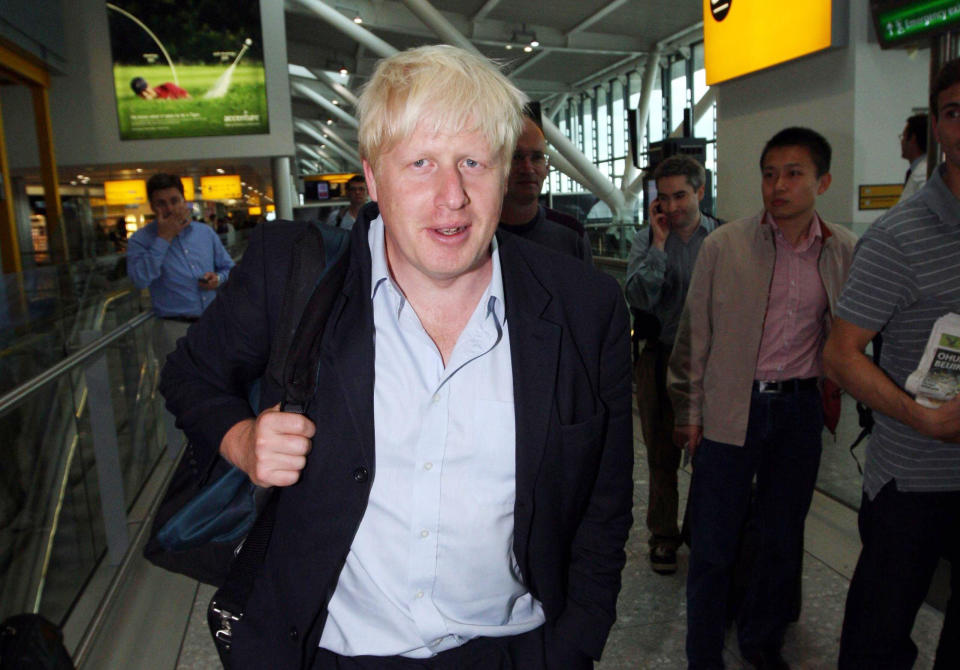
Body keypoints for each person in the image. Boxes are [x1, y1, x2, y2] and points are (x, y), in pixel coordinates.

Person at [159, 45, 633, 669]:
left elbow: (604, 502)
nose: (452, 196)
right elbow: (189, 375)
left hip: (510, 649)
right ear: (374, 178)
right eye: (420, 163)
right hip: (329, 648)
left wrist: (572, 649)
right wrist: (241, 439)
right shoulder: (292, 275)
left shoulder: (582, 306)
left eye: (473, 161)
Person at [668, 127, 855, 669]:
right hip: (732, 407)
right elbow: (694, 335)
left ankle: (761, 641)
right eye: (770, 174)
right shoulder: (726, 245)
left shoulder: (842, 249)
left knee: (781, 537)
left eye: (793, 174)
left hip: (797, 410)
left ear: (822, 181)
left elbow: (846, 333)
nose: (778, 185)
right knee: (713, 543)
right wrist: (689, 413)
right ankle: (703, 653)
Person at [827, 60, 960, 670]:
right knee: (878, 641)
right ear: (936, 126)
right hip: (913, 478)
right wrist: (919, 418)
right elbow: (840, 353)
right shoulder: (899, 237)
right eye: (955, 113)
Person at [624, 154, 718, 576]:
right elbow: (639, 298)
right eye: (664, 198)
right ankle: (664, 535)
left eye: (681, 195)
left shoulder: (721, 240)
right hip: (658, 357)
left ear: (700, 192)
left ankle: (702, 531)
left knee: (711, 455)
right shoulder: (647, 241)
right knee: (661, 455)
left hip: (711, 363)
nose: (674, 206)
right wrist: (659, 246)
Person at [127, 174, 234, 445]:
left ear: (184, 200)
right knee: (178, 393)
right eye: (162, 203)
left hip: (211, 324)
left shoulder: (204, 233)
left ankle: (221, 444)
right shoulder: (142, 240)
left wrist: (217, 280)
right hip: (172, 328)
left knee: (221, 386)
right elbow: (140, 279)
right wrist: (163, 239)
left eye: (175, 200)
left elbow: (229, 268)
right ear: (152, 207)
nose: (170, 208)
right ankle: (182, 455)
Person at [498, 113, 593, 262]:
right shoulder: (477, 238)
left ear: (547, 168)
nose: (528, 169)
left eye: (536, 158)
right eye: (516, 157)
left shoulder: (571, 236)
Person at [898, 113, 929, 203]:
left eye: (903, 137)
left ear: (912, 139)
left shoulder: (924, 173)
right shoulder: (917, 170)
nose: (901, 142)